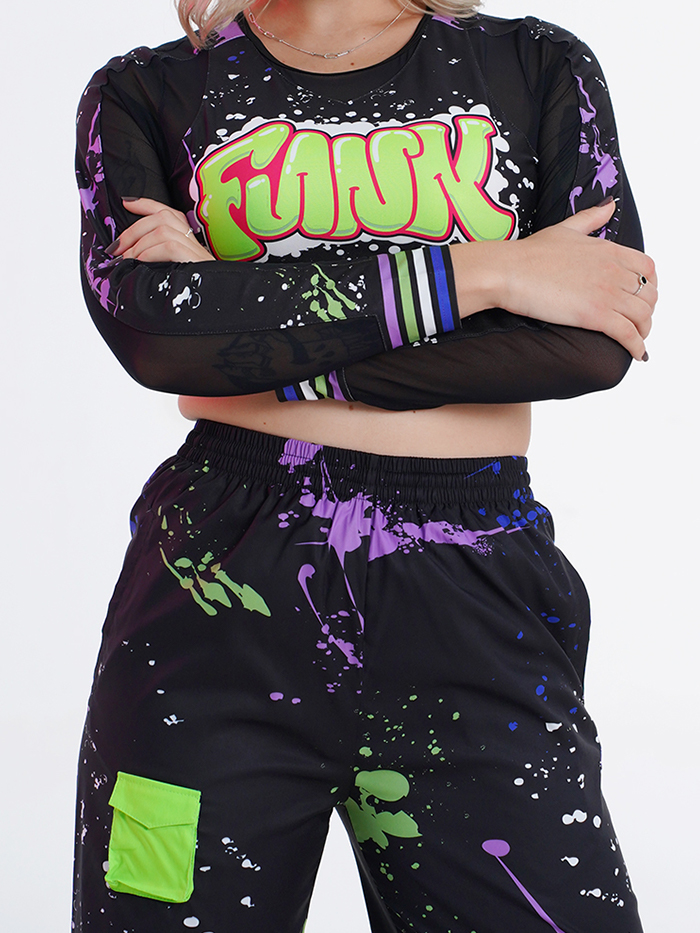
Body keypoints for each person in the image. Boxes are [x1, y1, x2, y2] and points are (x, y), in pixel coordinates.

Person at [73, 0, 656, 930]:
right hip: (215, 589)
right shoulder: (148, 89)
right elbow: (157, 335)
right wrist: (489, 275)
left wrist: (239, 327)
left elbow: (591, 340)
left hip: (475, 588)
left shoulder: (535, 65)